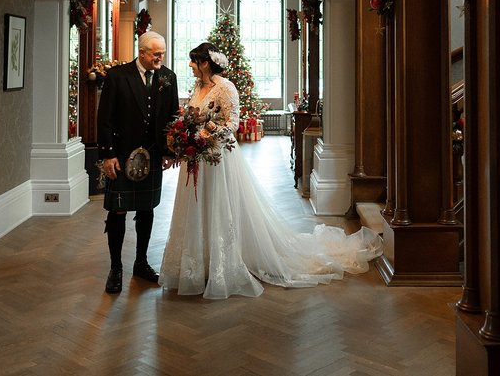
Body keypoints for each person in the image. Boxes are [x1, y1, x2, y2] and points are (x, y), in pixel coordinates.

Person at [159, 42, 383, 299]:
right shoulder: (198, 87)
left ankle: (225, 263)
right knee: (197, 208)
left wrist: (205, 137)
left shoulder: (226, 88)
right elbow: (192, 117)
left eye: (193, 61)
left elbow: (232, 124)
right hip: (196, 159)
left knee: (220, 206)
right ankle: (198, 263)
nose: (190, 66)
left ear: (205, 63)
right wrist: (187, 136)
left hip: (217, 159)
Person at [96, 31, 180, 295]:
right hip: (121, 156)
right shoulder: (117, 76)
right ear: (142, 52)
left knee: (147, 209)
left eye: (162, 53)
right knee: (118, 211)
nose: (160, 58)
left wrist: (169, 151)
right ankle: (115, 268)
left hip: (153, 154)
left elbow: (172, 116)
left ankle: (141, 263)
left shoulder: (168, 77)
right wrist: (108, 154)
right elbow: (105, 118)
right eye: (156, 54)